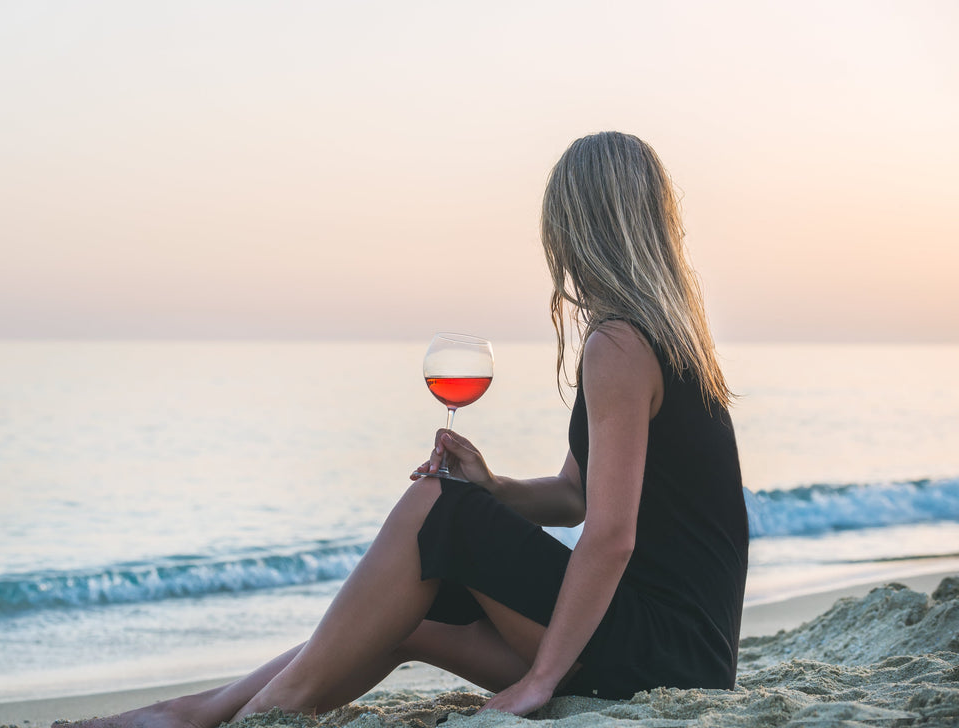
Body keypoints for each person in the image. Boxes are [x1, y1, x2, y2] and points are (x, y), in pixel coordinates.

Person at [59, 132, 747, 728]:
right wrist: (495, 486)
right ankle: (197, 713)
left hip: (661, 652)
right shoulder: (667, 339)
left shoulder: (619, 345)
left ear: (576, 225)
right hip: (688, 655)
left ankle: (256, 713)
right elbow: (577, 494)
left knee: (433, 508)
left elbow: (610, 536)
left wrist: (538, 685)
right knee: (404, 610)